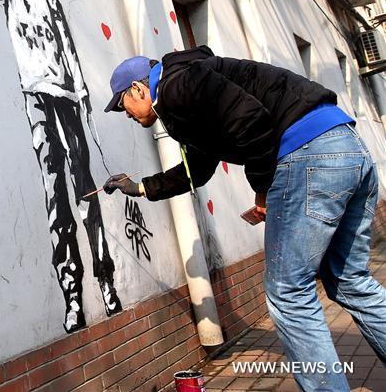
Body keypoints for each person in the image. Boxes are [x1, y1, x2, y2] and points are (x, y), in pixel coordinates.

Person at [103, 46, 386, 391]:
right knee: (349, 280)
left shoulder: (177, 87)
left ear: (138, 88)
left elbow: (253, 122)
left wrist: (263, 189)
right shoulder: (190, 86)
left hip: (308, 155)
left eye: (122, 105)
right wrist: (141, 187)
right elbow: (198, 167)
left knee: (288, 293)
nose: (126, 115)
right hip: (347, 148)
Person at [0, 0, 121, 333]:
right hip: (35, 97)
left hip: (64, 95)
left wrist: (81, 88)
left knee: (85, 192)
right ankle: (72, 294)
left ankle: (106, 280)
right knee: (54, 196)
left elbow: (65, 38)